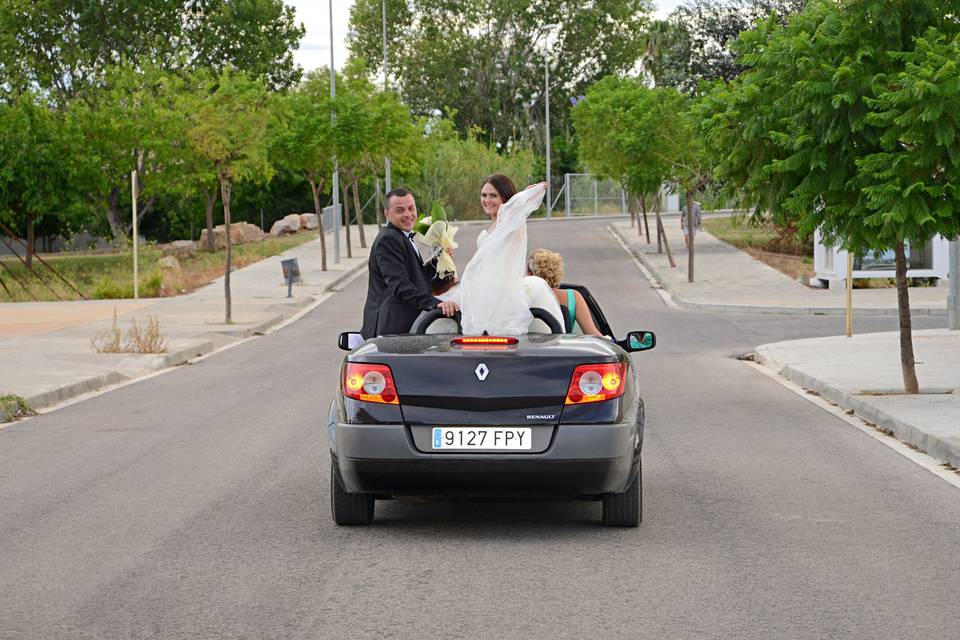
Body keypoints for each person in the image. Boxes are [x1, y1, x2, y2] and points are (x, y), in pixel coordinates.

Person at [442, 175, 563, 335]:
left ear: (506, 198)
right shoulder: (494, 226)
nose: (487, 200)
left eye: (493, 195)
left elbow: (515, 207)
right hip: (484, 291)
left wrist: (524, 196)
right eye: (484, 195)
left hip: (503, 294)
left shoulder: (512, 222)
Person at [360, 188, 458, 338]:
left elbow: (417, 276)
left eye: (411, 208)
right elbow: (400, 285)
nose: (408, 214)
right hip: (391, 330)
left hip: (403, 326)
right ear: (387, 214)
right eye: (400, 210)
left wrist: (440, 259)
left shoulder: (402, 236)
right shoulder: (388, 239)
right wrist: (434, 303)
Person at [527, 248, 603, 336]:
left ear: (530, 273)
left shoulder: (522, 296)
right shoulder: (573, 297)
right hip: (562, 348)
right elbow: (592, 333)